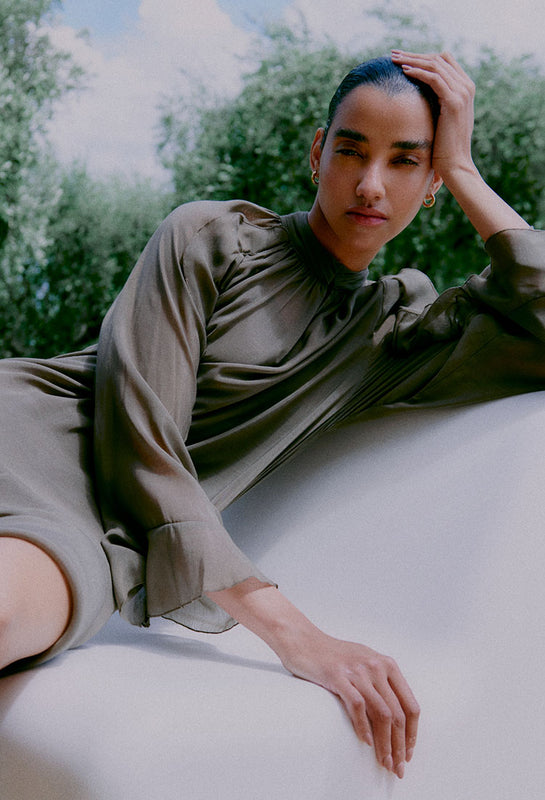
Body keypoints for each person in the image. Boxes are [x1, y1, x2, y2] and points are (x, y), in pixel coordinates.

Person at [1, 50, 544, 782]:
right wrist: (296, 636)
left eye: (406, 162)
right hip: (25, 436)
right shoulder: (209, 238)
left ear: (432, 186)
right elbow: (142, 442)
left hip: (85, 529)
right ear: (317, 153)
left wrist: (466, 169)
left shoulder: (389, 335)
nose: (370, 183)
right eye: (350, 150)